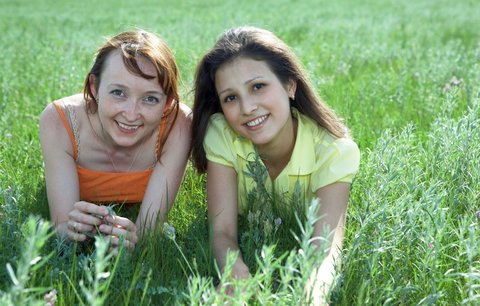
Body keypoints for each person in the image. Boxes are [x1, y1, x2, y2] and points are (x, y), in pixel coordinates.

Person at [191, 26, 360, 304]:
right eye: (230, 97)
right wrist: (233, 271)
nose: (247, 108)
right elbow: (222, 231)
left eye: (258, 87)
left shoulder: (333, 150)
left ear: (289, 85)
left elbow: (326, 248)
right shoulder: (222, 135)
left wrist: (312, 295)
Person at [39, 29, 191, 250]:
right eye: (119, 92)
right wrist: (72, 229)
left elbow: (149, 231)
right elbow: (62, 228)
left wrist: (135, 241)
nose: (131, 114)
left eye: (150, 98)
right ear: (95, 87)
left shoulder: (179, 124)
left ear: (167, 103)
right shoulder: (60, 121)